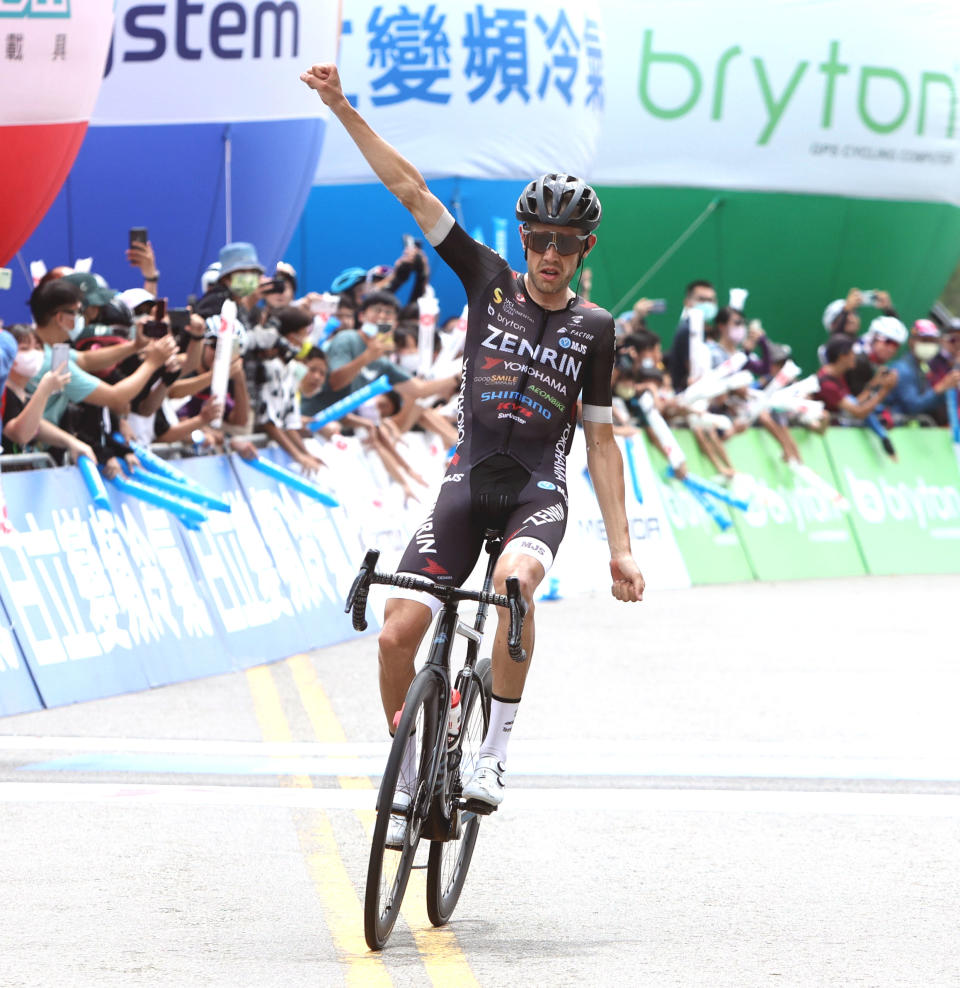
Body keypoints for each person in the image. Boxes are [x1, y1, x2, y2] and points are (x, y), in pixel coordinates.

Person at [301, 62, 645, 821]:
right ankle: (411, 756)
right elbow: (412, 190)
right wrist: (342, 107)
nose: (551, 253)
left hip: (536, 493)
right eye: (540, 239)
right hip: (464, 485)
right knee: (396, 634)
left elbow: (600, 440)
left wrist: (620, 548)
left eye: (567, 242)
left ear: (584, 249)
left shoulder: (595, 329)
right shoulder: (487, 280)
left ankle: (493, 755)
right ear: (524, 239)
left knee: (515, 589)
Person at [886, 319, 960, 425]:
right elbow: (912, 407)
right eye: (925, 340)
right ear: (912, 341)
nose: (929, 345)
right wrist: (941, 388)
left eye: (933, 341)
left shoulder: (922, 367)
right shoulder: (903, 369)